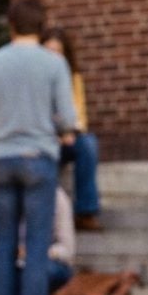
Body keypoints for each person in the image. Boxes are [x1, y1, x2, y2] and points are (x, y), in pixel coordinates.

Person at [0, 0, 77, 295]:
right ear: (42, 26)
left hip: (1, 159)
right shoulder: (54, 64)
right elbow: (68, 118)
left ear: (11, 25)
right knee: (34, 247)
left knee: (4, 246)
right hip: (38, 158)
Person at [0, 185, 76, 295]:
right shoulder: (4, 193)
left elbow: (67, 250)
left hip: (42, 260)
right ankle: (16, 293)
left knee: (44, 272)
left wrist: (33, 252)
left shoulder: (57, 198)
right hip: (8, 258)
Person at [41, 26, 102, 231]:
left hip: (68, 139)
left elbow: (80, 119)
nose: (53, 57)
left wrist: (69, 131)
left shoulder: (73, 79)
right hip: (44, 140)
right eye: (48, 51)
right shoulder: (36, 80)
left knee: (88, 144)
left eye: (57, 52)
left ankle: (86, 212)